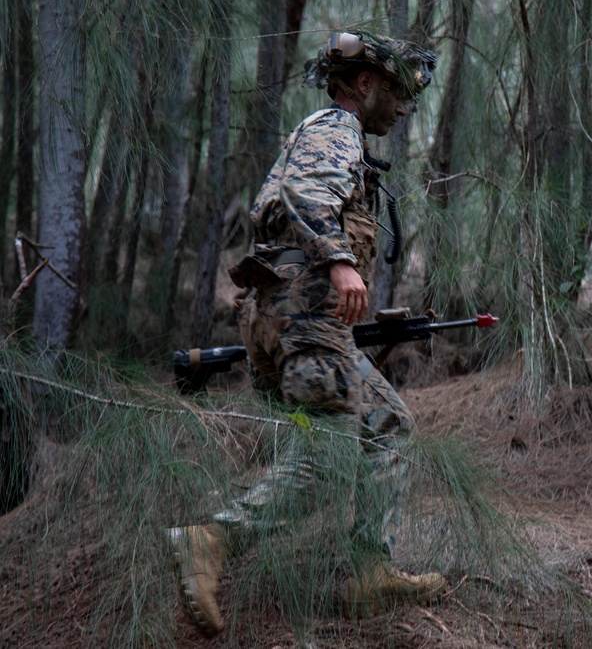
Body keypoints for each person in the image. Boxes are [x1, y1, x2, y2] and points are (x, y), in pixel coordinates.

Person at [166, 31, 444, 637]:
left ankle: (370, 567)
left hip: (297, 318)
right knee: (332, 452)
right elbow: (308, 192)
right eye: (397, 93)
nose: (402, 108)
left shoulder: (335, 134)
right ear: (365, 84)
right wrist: (340, 259)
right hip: (306, 317)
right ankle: (213, 537)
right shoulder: (335, 127)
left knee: (389, 423)